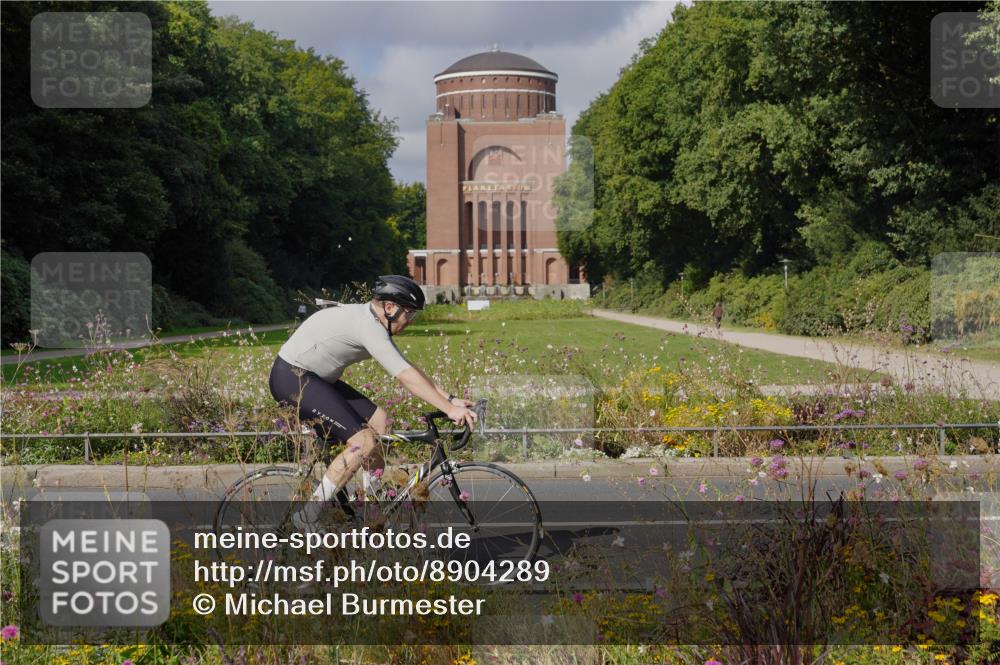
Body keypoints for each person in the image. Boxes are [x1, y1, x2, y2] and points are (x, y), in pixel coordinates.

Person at [268, 275, 477, 529]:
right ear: (390, 308)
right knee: (363, 442)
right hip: (292, 377)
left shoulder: (374, 322)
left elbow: (408, 367)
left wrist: (451, 399)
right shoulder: (368, 326)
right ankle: (308, 516)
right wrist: (449, 410)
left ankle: (370, 506)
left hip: (318, 378)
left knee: (381, 421)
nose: (410, 321)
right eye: (408, 313)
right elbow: (405, 377)